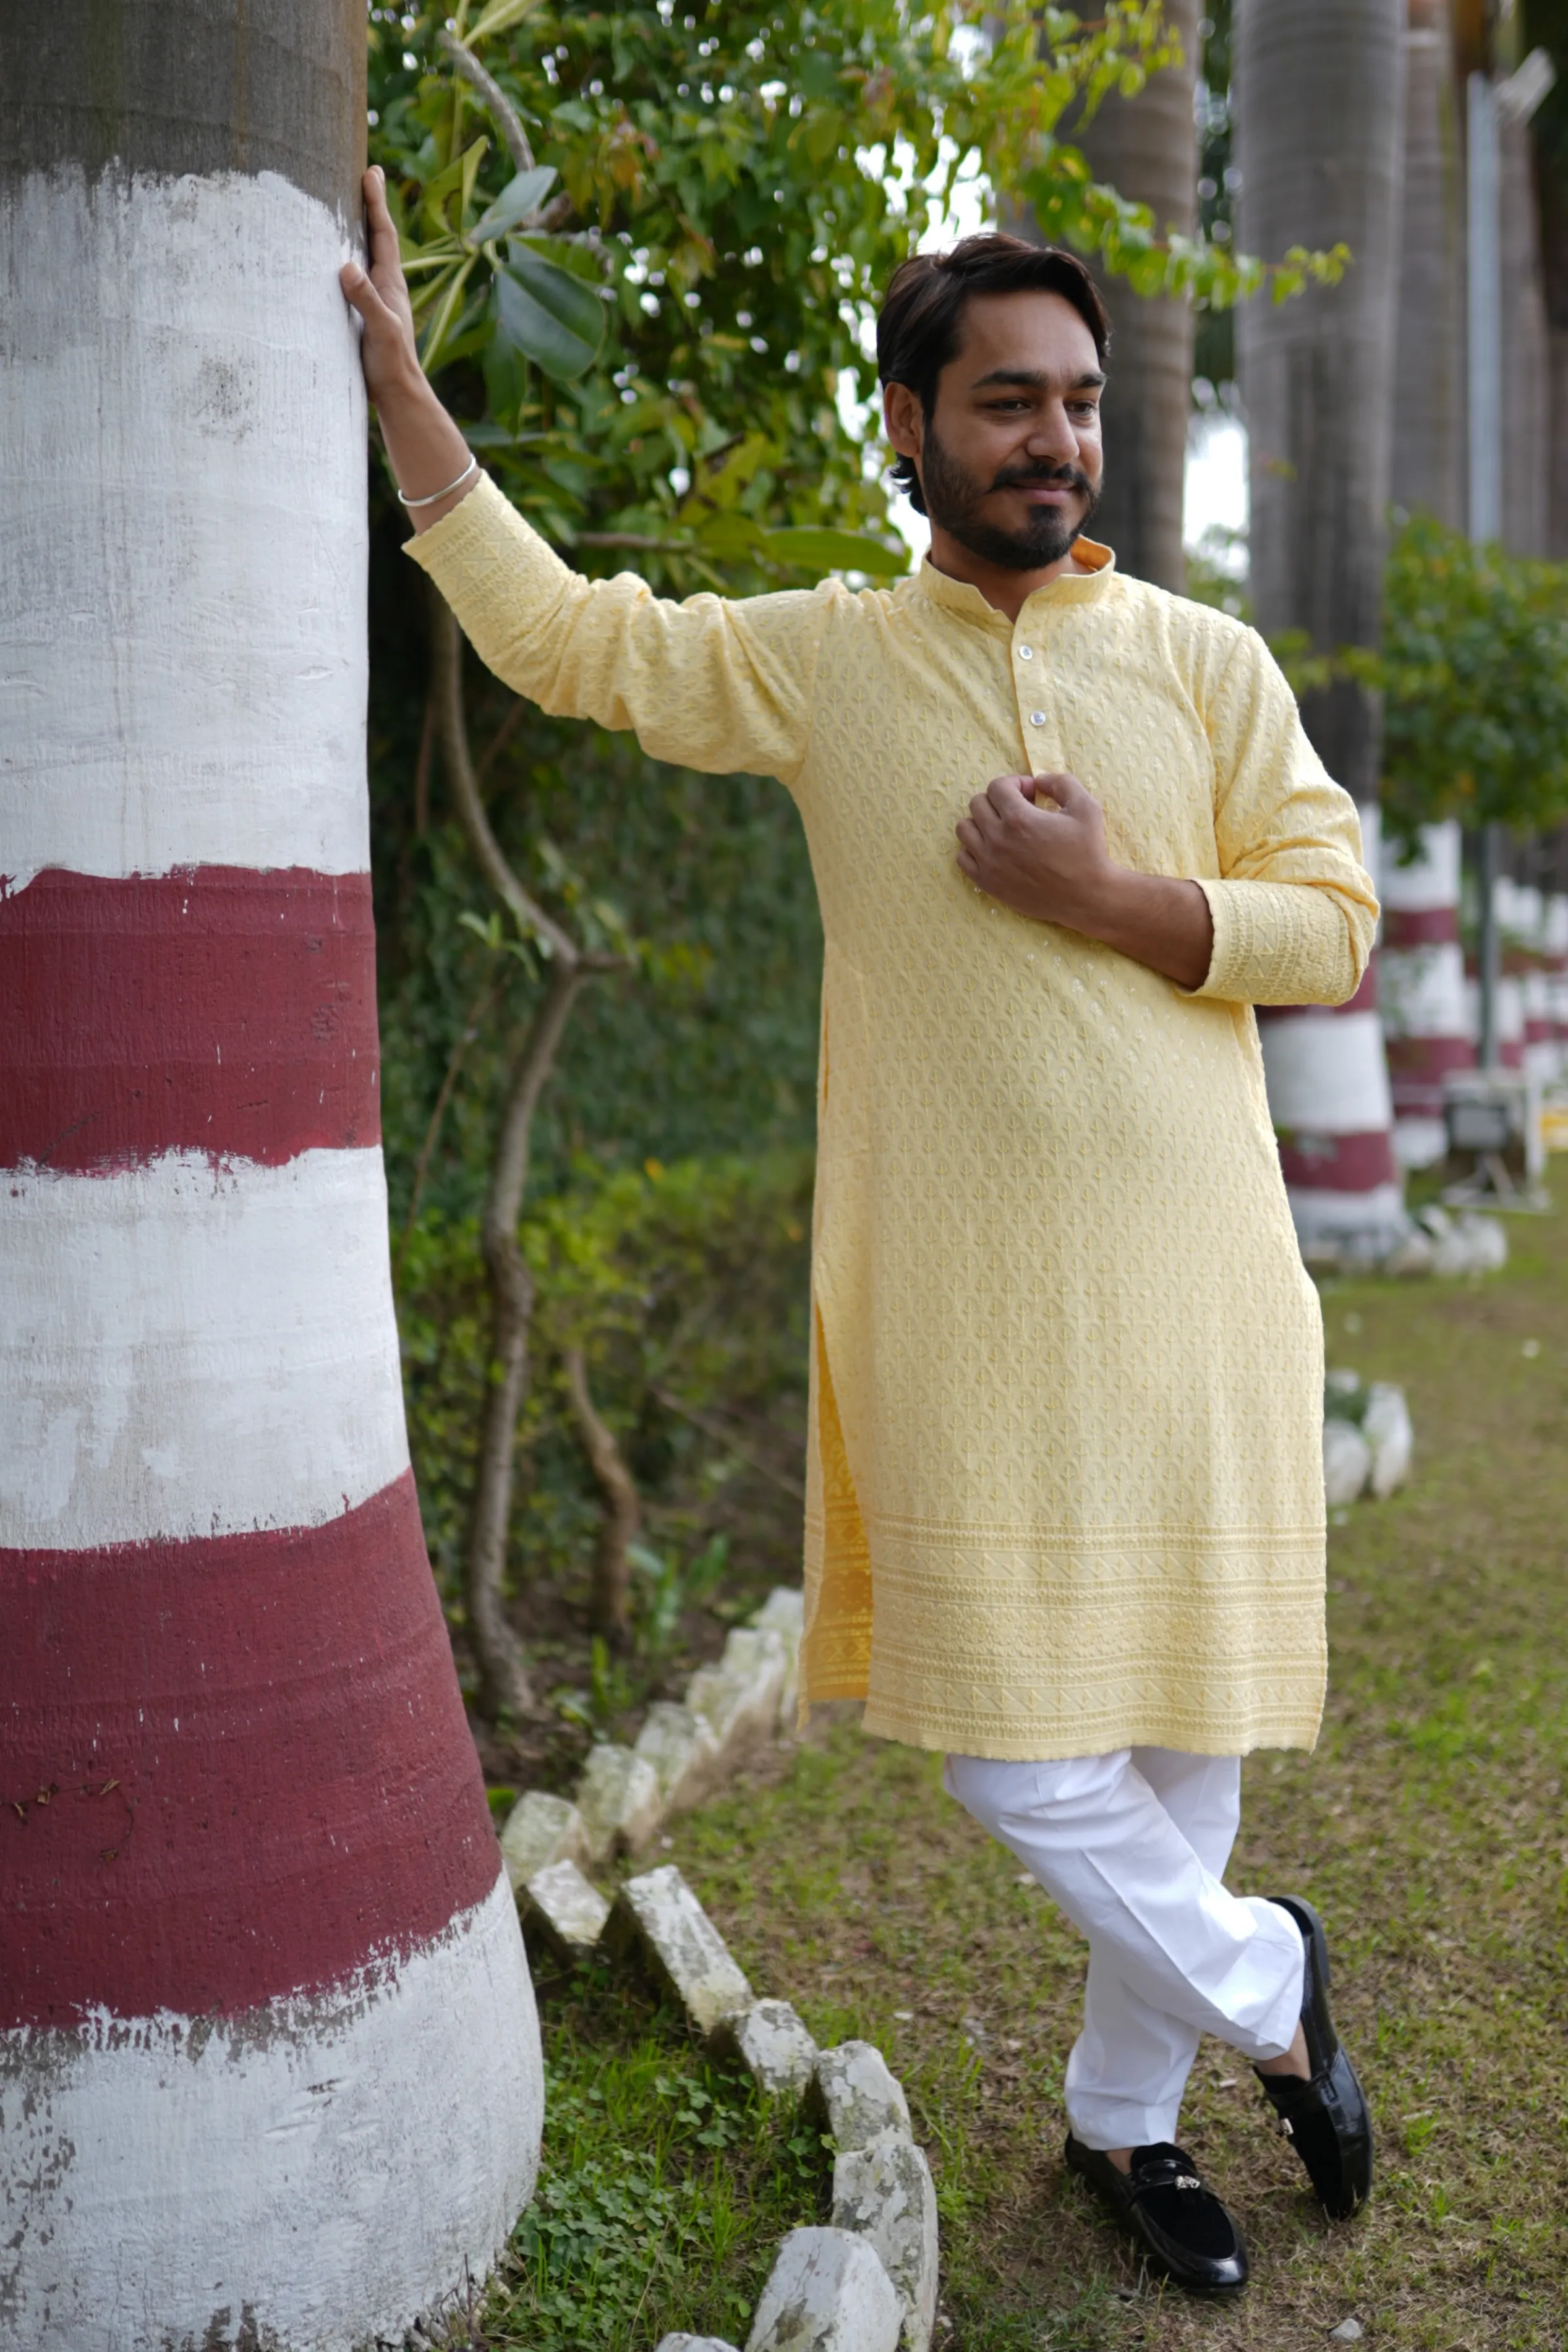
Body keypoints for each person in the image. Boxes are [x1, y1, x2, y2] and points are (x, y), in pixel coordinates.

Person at [343, 171, 1375, 2297]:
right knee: (1018, 1751)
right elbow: (572, 643)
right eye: (1006, 403)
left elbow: (1336, 924)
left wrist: (1122, 902)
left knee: (1183, 1743)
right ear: (904, 422)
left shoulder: (1204, 665)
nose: (1055, 442)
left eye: (1078, 405)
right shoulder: (828, 662)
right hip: (969, 1318)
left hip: (1205, 1302)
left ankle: (1129, 2123)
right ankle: (1273, 1985)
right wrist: (403, 395)